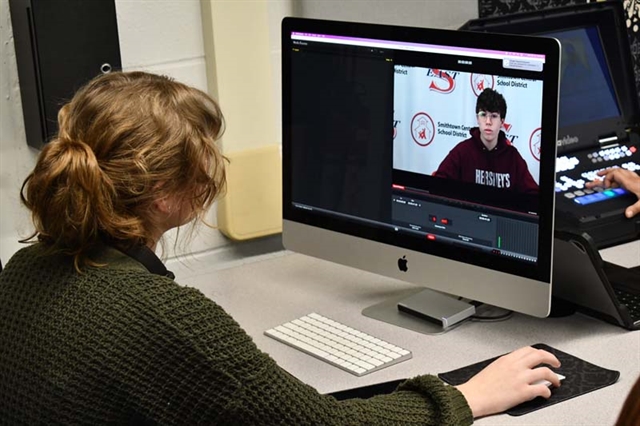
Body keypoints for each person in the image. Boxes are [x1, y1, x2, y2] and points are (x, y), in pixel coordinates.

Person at [0, 71, 563, 424]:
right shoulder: (161, 317)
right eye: (206, 157)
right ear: (164, 193)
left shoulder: (24, 268)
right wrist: (467, 396)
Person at [434, 88, 539, 194]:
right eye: (483, 115)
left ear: (502, 122)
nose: (488, 122)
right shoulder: (462, 152)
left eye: (494, 116)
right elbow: (437, 185)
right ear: (477, 119)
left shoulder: (513, 157)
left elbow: (533, 195)